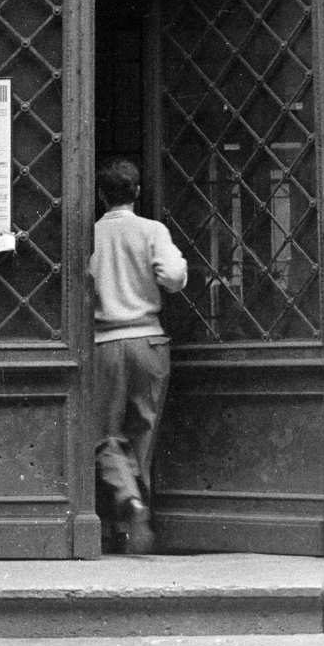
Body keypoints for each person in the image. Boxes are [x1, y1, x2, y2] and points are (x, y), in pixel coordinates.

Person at [90, 157, 187, 554]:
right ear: (137, 193)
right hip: (149, 342)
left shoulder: (91, 234)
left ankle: (124, 504)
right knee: (142, 433)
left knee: (105, 436)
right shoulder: (153, 230)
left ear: (100, 195)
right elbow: (174, 278)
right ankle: (137, 513)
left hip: (105, 345)